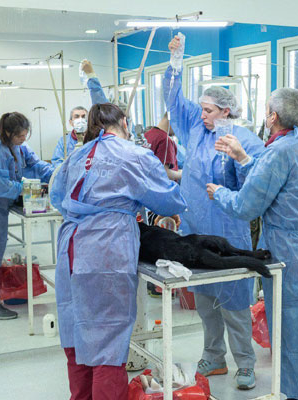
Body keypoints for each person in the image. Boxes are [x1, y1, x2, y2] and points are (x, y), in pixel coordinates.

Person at [208, 88, 298, 400]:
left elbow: (247, 206)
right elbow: (278, 182)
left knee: (294, 328)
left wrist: (219, 193)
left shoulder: (279, 152)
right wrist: (244, 159)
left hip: (292, 253)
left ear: (272, 116)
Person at [50, 103, 186, 400]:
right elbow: (168, 201)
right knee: (108, 338)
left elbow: (57, 197)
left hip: (71, 244)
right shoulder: (134, 155)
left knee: (77, 332)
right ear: (124, 123)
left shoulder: (76, 155)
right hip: (106, 246)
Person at [164, 35, 265, 390]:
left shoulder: (245, 140)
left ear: (226, 111)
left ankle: (246, 363)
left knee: (235, 304)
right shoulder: (195, 128)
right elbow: (173, 100)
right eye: (202, 108)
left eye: (209, 110)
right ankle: (214, 356)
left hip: (228, 232)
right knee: (205, 300)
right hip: (195, 228)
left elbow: (257, 186)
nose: (202, 113)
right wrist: (176, 61)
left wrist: (240, 158)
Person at [0, 112, 54, 319]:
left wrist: (54, 174)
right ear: (7, 133)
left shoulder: (18, 145)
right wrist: (25, 188)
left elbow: (35, 164)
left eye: (25, 135)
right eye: (19, 136)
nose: (23, 139)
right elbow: (0, 184)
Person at [81, 60, 181, 182]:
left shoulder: (82, 155)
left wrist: (91, 75)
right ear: (124, 122)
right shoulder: (132, 153)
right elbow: (158, 182)